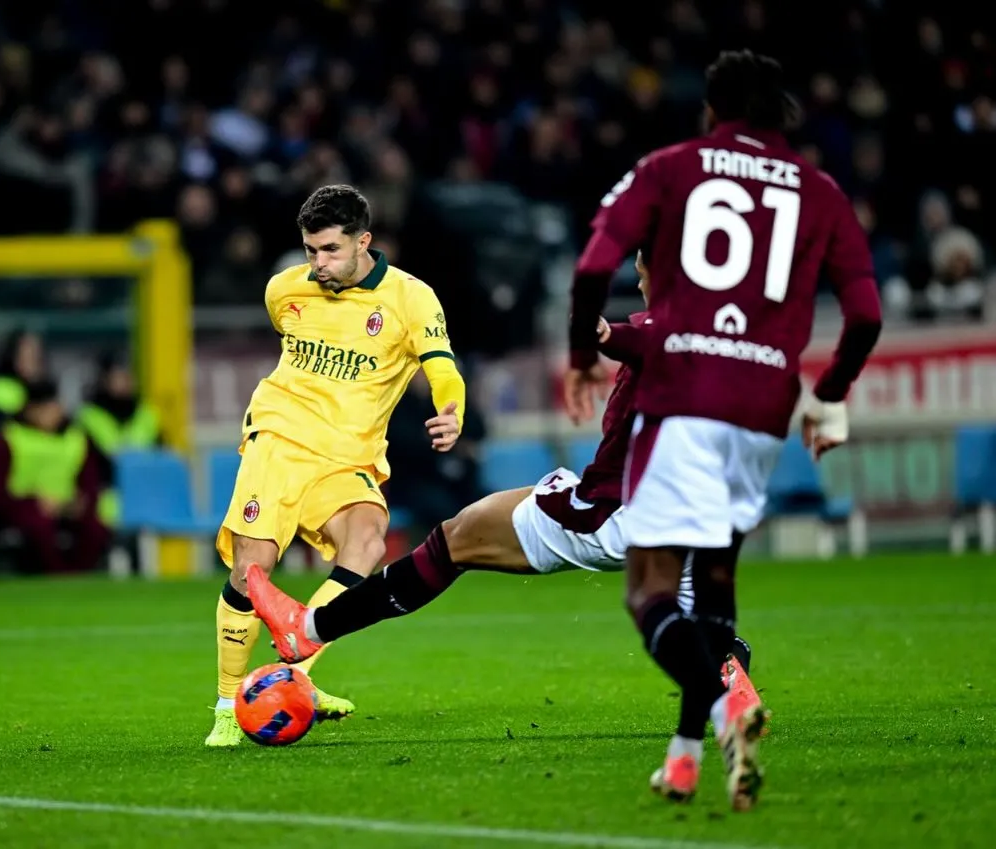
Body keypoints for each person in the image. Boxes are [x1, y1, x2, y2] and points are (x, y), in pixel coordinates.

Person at [244, 252, 762, 730]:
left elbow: (644, 340)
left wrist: (601, 333)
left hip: (615, 513)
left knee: (454, 541)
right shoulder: (730, 340)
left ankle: (308, 629)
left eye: (645, 274)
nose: (641, 283)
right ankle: (733, 687)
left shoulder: (669, 329)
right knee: (702, 625)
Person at [562, 50, 882, 810]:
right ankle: (683, 759)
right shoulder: (820, 191)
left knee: (648, 592)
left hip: (683, 399)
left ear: (711, 110)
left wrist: (579, 355)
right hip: (763, 409)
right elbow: (866, 314)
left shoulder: (671, 167)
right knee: (709, 592)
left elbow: (593, 267)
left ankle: (725, 707)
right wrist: (830, 394)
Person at [205, 184, 466, 748]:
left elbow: (443, 370)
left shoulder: (411, 299)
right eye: (310, 250)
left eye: (330, 250)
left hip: (348, 456)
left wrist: (452, 411)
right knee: (251, 569)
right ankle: (227, 706)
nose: (318, 263)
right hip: (279, 441)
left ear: (363, 241)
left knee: (368, 539)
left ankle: (293, 674)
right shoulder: (284, 290)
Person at [0, 379, 111, 575]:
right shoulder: (10, 439)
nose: (52, 414)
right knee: (39, 526)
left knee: (95, 528)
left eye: (54, 407)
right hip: (23, 509)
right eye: (45, 409)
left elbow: (90, 483)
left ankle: (80, 576)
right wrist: (34, 502)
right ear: (30, 410)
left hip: (66, 509)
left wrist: (79, 503)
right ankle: (57, 576)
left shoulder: (76, 439)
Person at [77, 352, 162, 528]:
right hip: (107, 496)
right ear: (104, 380)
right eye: (118, 377)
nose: (125, 382)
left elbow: (161, 458)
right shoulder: (89, 418)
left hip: (146, 494)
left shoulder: (147, 416)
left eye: (128, 377)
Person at [0, 329, 45, 473]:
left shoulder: (40, 391)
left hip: (27, 472)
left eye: (35, 355)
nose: (31, 361)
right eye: (26, 354)